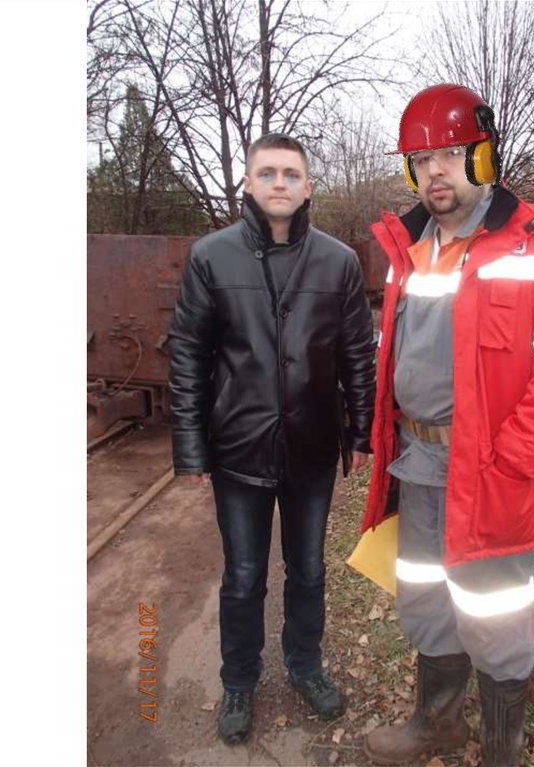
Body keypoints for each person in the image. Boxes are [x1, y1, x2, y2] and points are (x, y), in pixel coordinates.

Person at [361, 84, 534, 766]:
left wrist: (509, 462)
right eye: (421, 160)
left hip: (491, 472)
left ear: (484, 155)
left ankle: (503, 749)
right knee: (426, 596)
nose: (434, 172)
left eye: (450, 154)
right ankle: (438, 723)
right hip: (417, 464)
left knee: (493, 613)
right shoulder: (410, 247)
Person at [168, 133, 375, 744]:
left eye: (290, 174)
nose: (279, 183)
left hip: (311, 448)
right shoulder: (211, 257)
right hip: (239, 449)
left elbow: (357, 355)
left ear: (308, 187)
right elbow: (189, 356)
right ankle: (239, 679)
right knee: (243, 575)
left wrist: (360, 432)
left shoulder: (339, 261)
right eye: (267, 173)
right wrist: (191, 447)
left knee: (307, 569)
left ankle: (305, 666)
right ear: (248, 183)